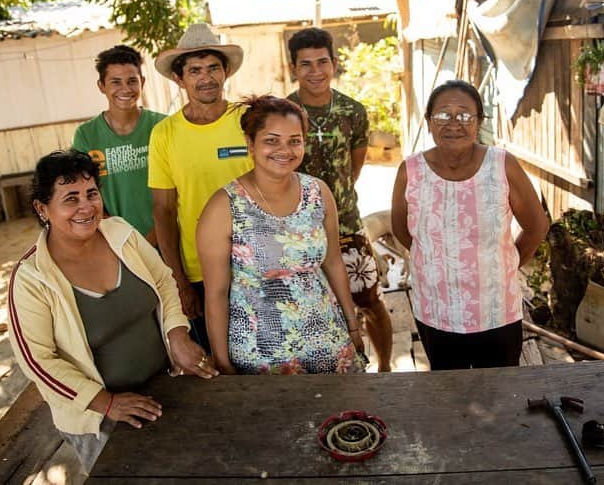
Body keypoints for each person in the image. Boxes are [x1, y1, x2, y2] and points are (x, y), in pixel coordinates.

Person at [7, 150, 217, 472]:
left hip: (162, 388)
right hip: (98, 420)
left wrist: (177, 335)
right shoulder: (32, 278)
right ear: (42, 208)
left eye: (91, 194)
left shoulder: (120, 233)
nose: (86, 207)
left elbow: (162, 279)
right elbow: (37, 361)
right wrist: (107, 403)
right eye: (70, 198)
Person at [197, 95, 366, 375]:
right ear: (250, 144)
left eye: (294, 140)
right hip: (262, 353)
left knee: (341, 415)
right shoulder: (224, 206)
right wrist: (222, 362)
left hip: (327, 340)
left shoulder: (318, 192)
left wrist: (352, 325)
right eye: (271, 140)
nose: (284, 150)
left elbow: (333, 263)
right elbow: (216, 293)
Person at [390, 80, 549, 370]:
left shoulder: (502, 165)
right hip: (436, 310)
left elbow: (537, 225)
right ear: (428, 122)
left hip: (496, 310)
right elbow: (402, 229)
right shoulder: (410, 171)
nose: (454, 123)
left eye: (464, 115)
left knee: (500, 392)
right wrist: (438, 261)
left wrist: (504, 265)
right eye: (443, 115)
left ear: (478, 123)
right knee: (450, 392)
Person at [286, 27, 393, 372]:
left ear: (334, 64)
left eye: (322, 62)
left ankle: (386, 368)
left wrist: (337, 200)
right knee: (309, 307)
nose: (315, 71)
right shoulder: (283, 112)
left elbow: (354, 166)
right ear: (293, 68)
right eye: (305, 64)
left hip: (346, 222)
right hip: (297, 227)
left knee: (369, 299)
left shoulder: (353, 111)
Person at [149, 23, 252, 351]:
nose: (206, 78)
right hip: (198, 272)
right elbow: (164, 211)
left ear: (226, 73)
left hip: (256, 264)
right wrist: (179, 282)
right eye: (195, 70)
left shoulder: (250, 120)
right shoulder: (164, 135)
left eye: (213, 68)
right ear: (179, 79)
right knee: (216, 366)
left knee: (267, 360)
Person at [73, 45, 164, 244]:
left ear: (143, 82)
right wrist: (122, 240)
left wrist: (155, 237)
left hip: (166, 238)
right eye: (115, 82)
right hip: (116, 243)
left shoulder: (162, 126)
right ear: (101, 86)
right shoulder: (86, 135)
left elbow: (177, 190)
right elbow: (85, 193)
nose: (125, 89)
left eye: (132, 81)